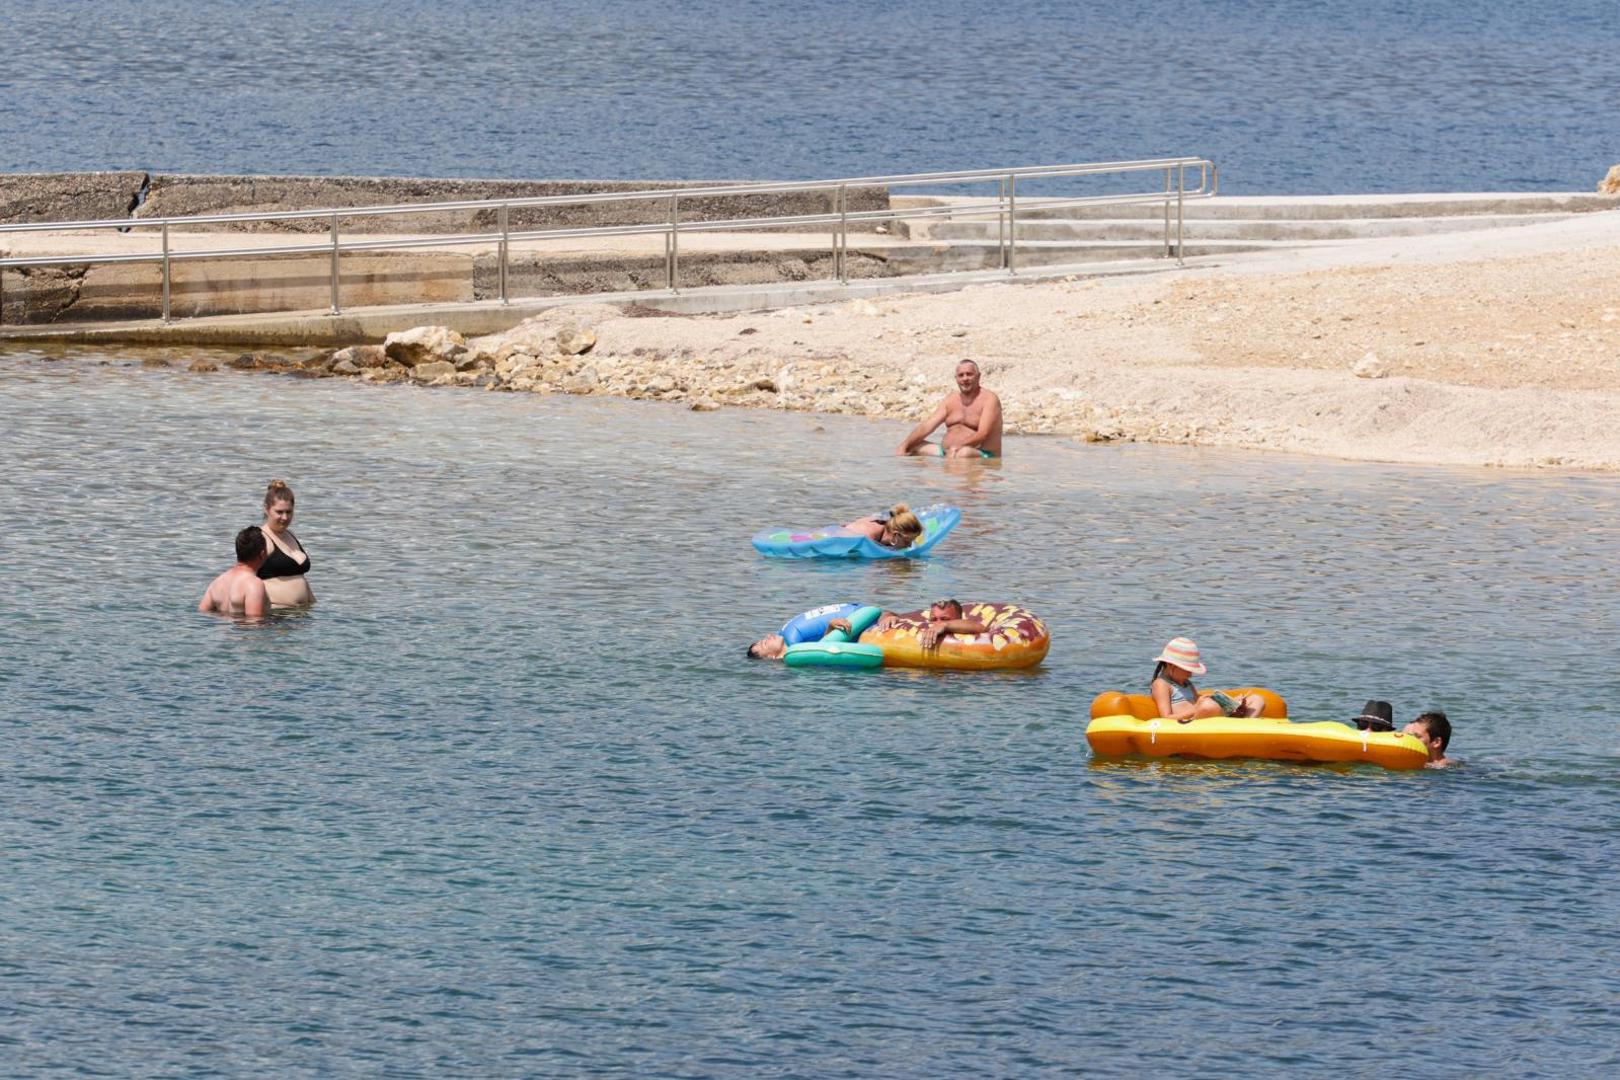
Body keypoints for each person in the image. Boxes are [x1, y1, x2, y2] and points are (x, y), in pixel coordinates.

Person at [897, 359, 1003, 458]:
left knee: (963, 453)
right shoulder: (951, 400)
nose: (965, 378)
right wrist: (904, 445)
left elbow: (983, 434)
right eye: (961, 375)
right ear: (956, 378)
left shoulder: (989, 399)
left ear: (978, 376)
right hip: (948, 452)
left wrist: (958, 446)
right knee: (913, 446)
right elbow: (927, 426)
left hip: (982, 454)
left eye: (969, 374)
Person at [1149, 636, 1264, 720]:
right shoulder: (1161, 684)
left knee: (1257, 699)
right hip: (1189, 724)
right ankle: (1233, 722)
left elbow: (1200, 703)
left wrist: (1233, 704)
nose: (1190, 674)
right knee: (1208, 706)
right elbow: (1166, 718)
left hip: (1206, 717)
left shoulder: (1187, 684)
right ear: (1171, 665)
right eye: (1188, 670)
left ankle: (1241, 723)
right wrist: (1196, 709)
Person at [258, 479, 314, 608]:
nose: (285, 517)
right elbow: (244, 575)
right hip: (275, 618)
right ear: (267, 509)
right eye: (279, 512)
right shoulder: (260, 538)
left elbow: (301, 578)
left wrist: (314, 606)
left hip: (302, 617)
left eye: (289, 512)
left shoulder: (291, 535)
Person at [747, 602, 867, 660]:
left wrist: (831, 626)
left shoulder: (792, 639)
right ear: (772, 656)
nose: (768, 635)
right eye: (764, 643)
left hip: (860, 613)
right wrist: (831, 626)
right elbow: (820, 652)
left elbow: (819, 647)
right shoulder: (795, 659)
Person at [199, 527, 272, 617]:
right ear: (262, 554)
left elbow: (202, 614)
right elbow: (254, 625)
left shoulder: (217, 582)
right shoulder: (254, 584)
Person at [843, 504, 924, 550]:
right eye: (907, 541)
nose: (910, 545)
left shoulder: (892, 524)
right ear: (896, 535)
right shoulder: (867, 537)